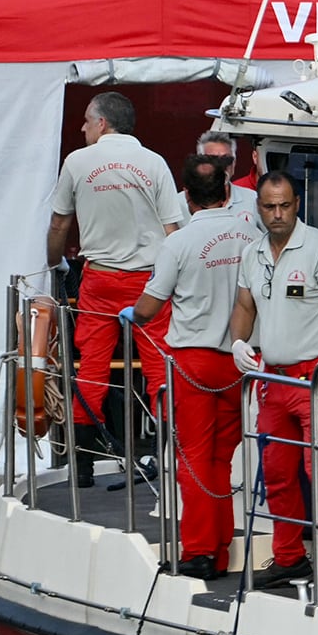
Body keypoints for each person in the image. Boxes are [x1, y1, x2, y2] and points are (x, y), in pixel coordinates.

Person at [230, 172, 318, 595]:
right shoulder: (253, 254)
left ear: (297, 203)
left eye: (285, 205)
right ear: (259, 208)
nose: (278, 214)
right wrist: (237, 342)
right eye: (270, 207)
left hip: (316, 376)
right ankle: (288, 558)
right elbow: (245, 306)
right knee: (278, 472)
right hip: (273, 378)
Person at [47, 93, 183, 483]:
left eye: (87, 121)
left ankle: (84, 465)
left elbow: (59, 224)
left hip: (100, 279)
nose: (82, 127)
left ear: (103, 123)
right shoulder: (154, 162)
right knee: (160, 369)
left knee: (91, 369)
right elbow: (172, 231)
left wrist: (55, 263)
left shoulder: (77, 162)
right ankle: (169, 458)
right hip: (149, 281)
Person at [132, 157, 257, 578]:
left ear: (185, 196)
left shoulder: (180, 242)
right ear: (227, 189)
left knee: (194, 459)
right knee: (222, 458)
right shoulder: (251, 234)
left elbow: (150, 306)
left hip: (195, 361)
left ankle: (201, 551)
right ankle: (220, 548)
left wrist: (132, 313)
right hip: (241, 360)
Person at [198, 132, 260, 228]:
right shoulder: (181, 203)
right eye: (212, 160)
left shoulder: (253, 199)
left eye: (226, 160)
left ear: (234, 163)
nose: (220, 166)